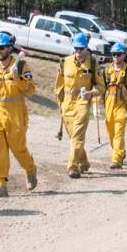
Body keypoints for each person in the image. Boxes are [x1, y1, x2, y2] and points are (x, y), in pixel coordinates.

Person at [0, 31, 38, 198]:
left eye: (2, 47)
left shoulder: (21, 66)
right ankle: (0, 184)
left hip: (16, 114)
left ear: (10, 48)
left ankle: (30, 169)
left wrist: (17, 77)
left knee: (18, 148)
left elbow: (31, 90)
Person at [53, 33, 101, 178]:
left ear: (86, 47)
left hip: (82, 102)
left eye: (81, 48)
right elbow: (58, 87)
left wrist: (91, 93)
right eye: (76, 48)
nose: (78, 52)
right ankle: (84, 162)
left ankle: (72, 166)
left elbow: (101, 87)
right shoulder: (64, 62)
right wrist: (60, 105)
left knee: (78, 136)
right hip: (67, 104)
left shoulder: (93, 63)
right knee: (73, 136)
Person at [99, 42, 127, 168]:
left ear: (124, 55)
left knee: (119, 133)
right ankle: (120, 152)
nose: (116, 56)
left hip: (122, 106)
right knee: (111, 134)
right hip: (108, 106)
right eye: (114, 54)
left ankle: (116, 159)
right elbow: (100, 89)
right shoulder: (106, 71)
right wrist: (96, 105)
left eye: (118, 54)